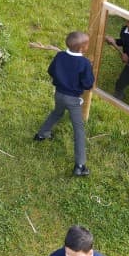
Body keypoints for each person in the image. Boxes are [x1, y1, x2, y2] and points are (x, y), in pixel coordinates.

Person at [34, 30, 95, 176]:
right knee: (78, 130)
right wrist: (89, 69)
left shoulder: (60, 55)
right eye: (87, 45)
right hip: (73, 100)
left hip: (59, 94)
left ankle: (42, 134)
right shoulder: (85, 63)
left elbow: (51, 71)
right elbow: (88, 84)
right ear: (82, 48)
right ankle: (80, 165)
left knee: (57, 112)